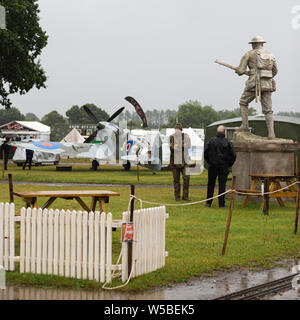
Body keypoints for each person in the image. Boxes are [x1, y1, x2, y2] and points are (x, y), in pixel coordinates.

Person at [235, 35, 278, 139]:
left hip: (254, 83)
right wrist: (267, 77)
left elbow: (241, 70)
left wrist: (239, 70)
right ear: (262, 44)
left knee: (243, 102)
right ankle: (271, 134)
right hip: (268, 84)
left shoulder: (248, 54)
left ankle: (245, 126)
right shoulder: (271, 55)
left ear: (253, 44)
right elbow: (275, 70)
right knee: (268, 110)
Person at [204, 125, 236, 208]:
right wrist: (229, 164)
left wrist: (210, 162)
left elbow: (205, 153)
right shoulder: (228, 142)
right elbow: (233, 155)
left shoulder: (211, 141)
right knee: (222, 185)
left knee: (211, 184)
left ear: (217, 132)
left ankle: (208, 202)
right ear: (224, 132)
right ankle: (221, 204)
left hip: (213, 166)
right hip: (223, 166)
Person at [169, 123, 191, 201]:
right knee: (176, 180)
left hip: (185, 162)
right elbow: (171, 147)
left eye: (178, 130)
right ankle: (177, 197)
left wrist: (177, 146)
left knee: (186, 179)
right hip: (174, 162)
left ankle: (185, 196)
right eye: (175, 130)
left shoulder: (186, 136)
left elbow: (188, 146)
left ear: (181, 130)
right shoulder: (171, 137)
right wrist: (182, 145)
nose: (176, 131)